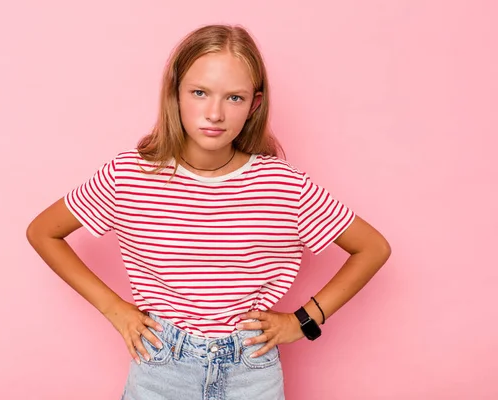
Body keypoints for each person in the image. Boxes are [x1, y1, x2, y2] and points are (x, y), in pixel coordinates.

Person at [26, 24, 391, 400]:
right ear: (175, 93)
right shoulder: (130, 175)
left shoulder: (283, 185)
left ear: (255, 104)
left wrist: (304, 322)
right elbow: (43, 232)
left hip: (252, 370)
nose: (214, 113)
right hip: (160, 368)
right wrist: (115, 309)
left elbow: (372, 248)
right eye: (199, 93)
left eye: (234, 98)